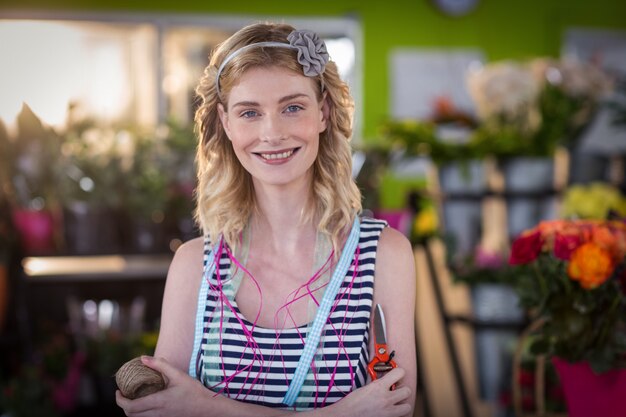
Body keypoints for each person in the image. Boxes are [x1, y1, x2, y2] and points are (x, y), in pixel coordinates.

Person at [116, 21, 417, 417]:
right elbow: (166, 411)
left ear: (323, 113)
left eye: (292, 107)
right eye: (249, 112)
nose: (272, 133)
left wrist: (205, 406)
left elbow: (397, 411)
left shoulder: (384, 257)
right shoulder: (195, 268)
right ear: (225, 123)